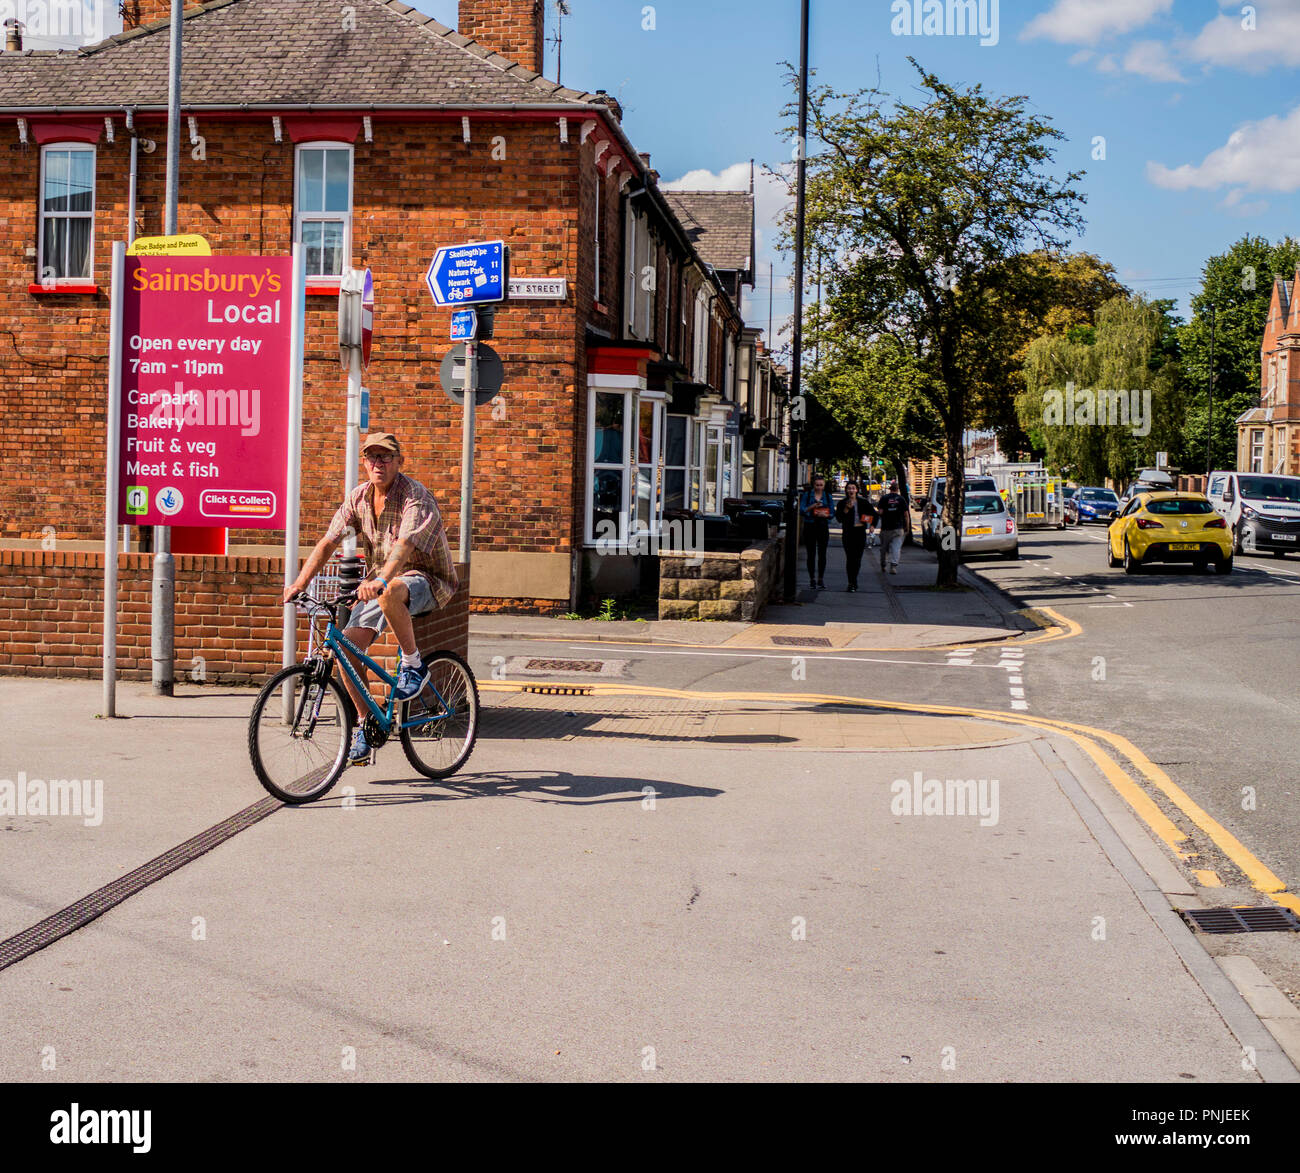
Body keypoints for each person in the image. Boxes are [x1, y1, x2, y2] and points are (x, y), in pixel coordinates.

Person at [283, 432, 458, 766]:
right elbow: (328, 542)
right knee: (345, 648)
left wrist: (379, 579)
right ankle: (367, 723)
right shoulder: (359, 498)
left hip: (428, 580)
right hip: (382, 583)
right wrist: (298, 583)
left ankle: (414, 665)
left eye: (386, 457)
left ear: (399, 461)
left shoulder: (414, 497)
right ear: (364, 462)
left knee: (392, 590)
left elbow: (404, 548)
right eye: (372, 457)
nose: (379, 463)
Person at [835, 480, 876, 592]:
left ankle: (854, 580)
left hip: (860, 533)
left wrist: (872, 525)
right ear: (846, 490)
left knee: (857, 559)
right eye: (849, 488)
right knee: (850, 559)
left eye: (853, 488)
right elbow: (839, 518)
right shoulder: (842, 503)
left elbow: (874, 514)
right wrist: (846, 509)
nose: (851, 490)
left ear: (857, 490)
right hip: (848, 533)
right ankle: (851, 583)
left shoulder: (863, 502)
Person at [799, 474, 836, 589]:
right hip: (810, 525)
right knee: (811, 554)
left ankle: (821, 578)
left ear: (824, 485)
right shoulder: (807, 495)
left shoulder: (827, 496)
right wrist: (813, 506)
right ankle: (812, 579)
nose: (819, 487)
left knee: (822, 554)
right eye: (817, 485)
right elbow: (802, 510)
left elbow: (832, 513)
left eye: (821, 485)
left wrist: (824, 514)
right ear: (813, 485)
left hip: (822, 525)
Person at [876, 479, 909, 575]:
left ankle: (883, 564)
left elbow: (880, 512)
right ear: (898, 489)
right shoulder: (901, 499)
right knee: (896, 548)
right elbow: (906, 515)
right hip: (898, 528)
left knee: (884, 548)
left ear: (890, 489)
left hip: (886, 528)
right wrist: (907, 527)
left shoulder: (884, 498)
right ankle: (893, 566)